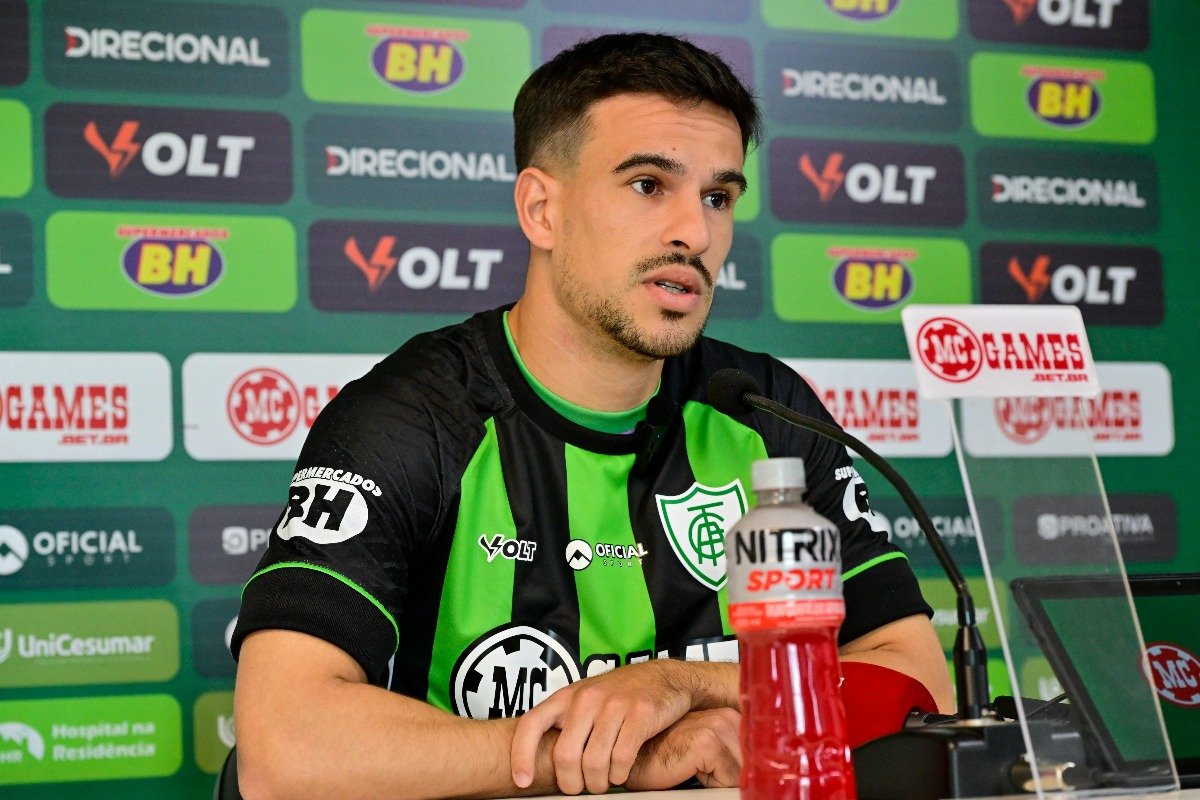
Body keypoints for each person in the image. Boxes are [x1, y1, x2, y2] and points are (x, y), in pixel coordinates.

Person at [232, 32, 952, 800]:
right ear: (541, 209)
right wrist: (614, 756)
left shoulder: (765, 412)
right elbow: (283, 750)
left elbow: (922, 687)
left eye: (717, 197)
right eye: (649, 185)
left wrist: (685, 687)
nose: (695, 233)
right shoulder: (412, 420)